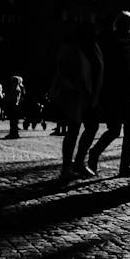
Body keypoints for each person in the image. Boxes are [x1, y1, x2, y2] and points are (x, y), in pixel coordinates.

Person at [80, 11, 130, 177]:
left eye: (129, 23)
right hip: (113, 91)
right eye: (125, 23)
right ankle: (94, 153)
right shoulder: (108, 41)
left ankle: (124, 167)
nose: (127, 26)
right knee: (114, 129)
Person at [48, 22, 104, 182]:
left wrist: (96, 93)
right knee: (73, 130)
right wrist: (74, 87)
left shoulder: (95, 48)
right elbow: (62, 72)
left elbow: (99, 70)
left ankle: (79, 161)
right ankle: (67, 167)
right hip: (75, 95)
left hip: (91, 95)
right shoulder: (71, 48)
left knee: (92, 127)